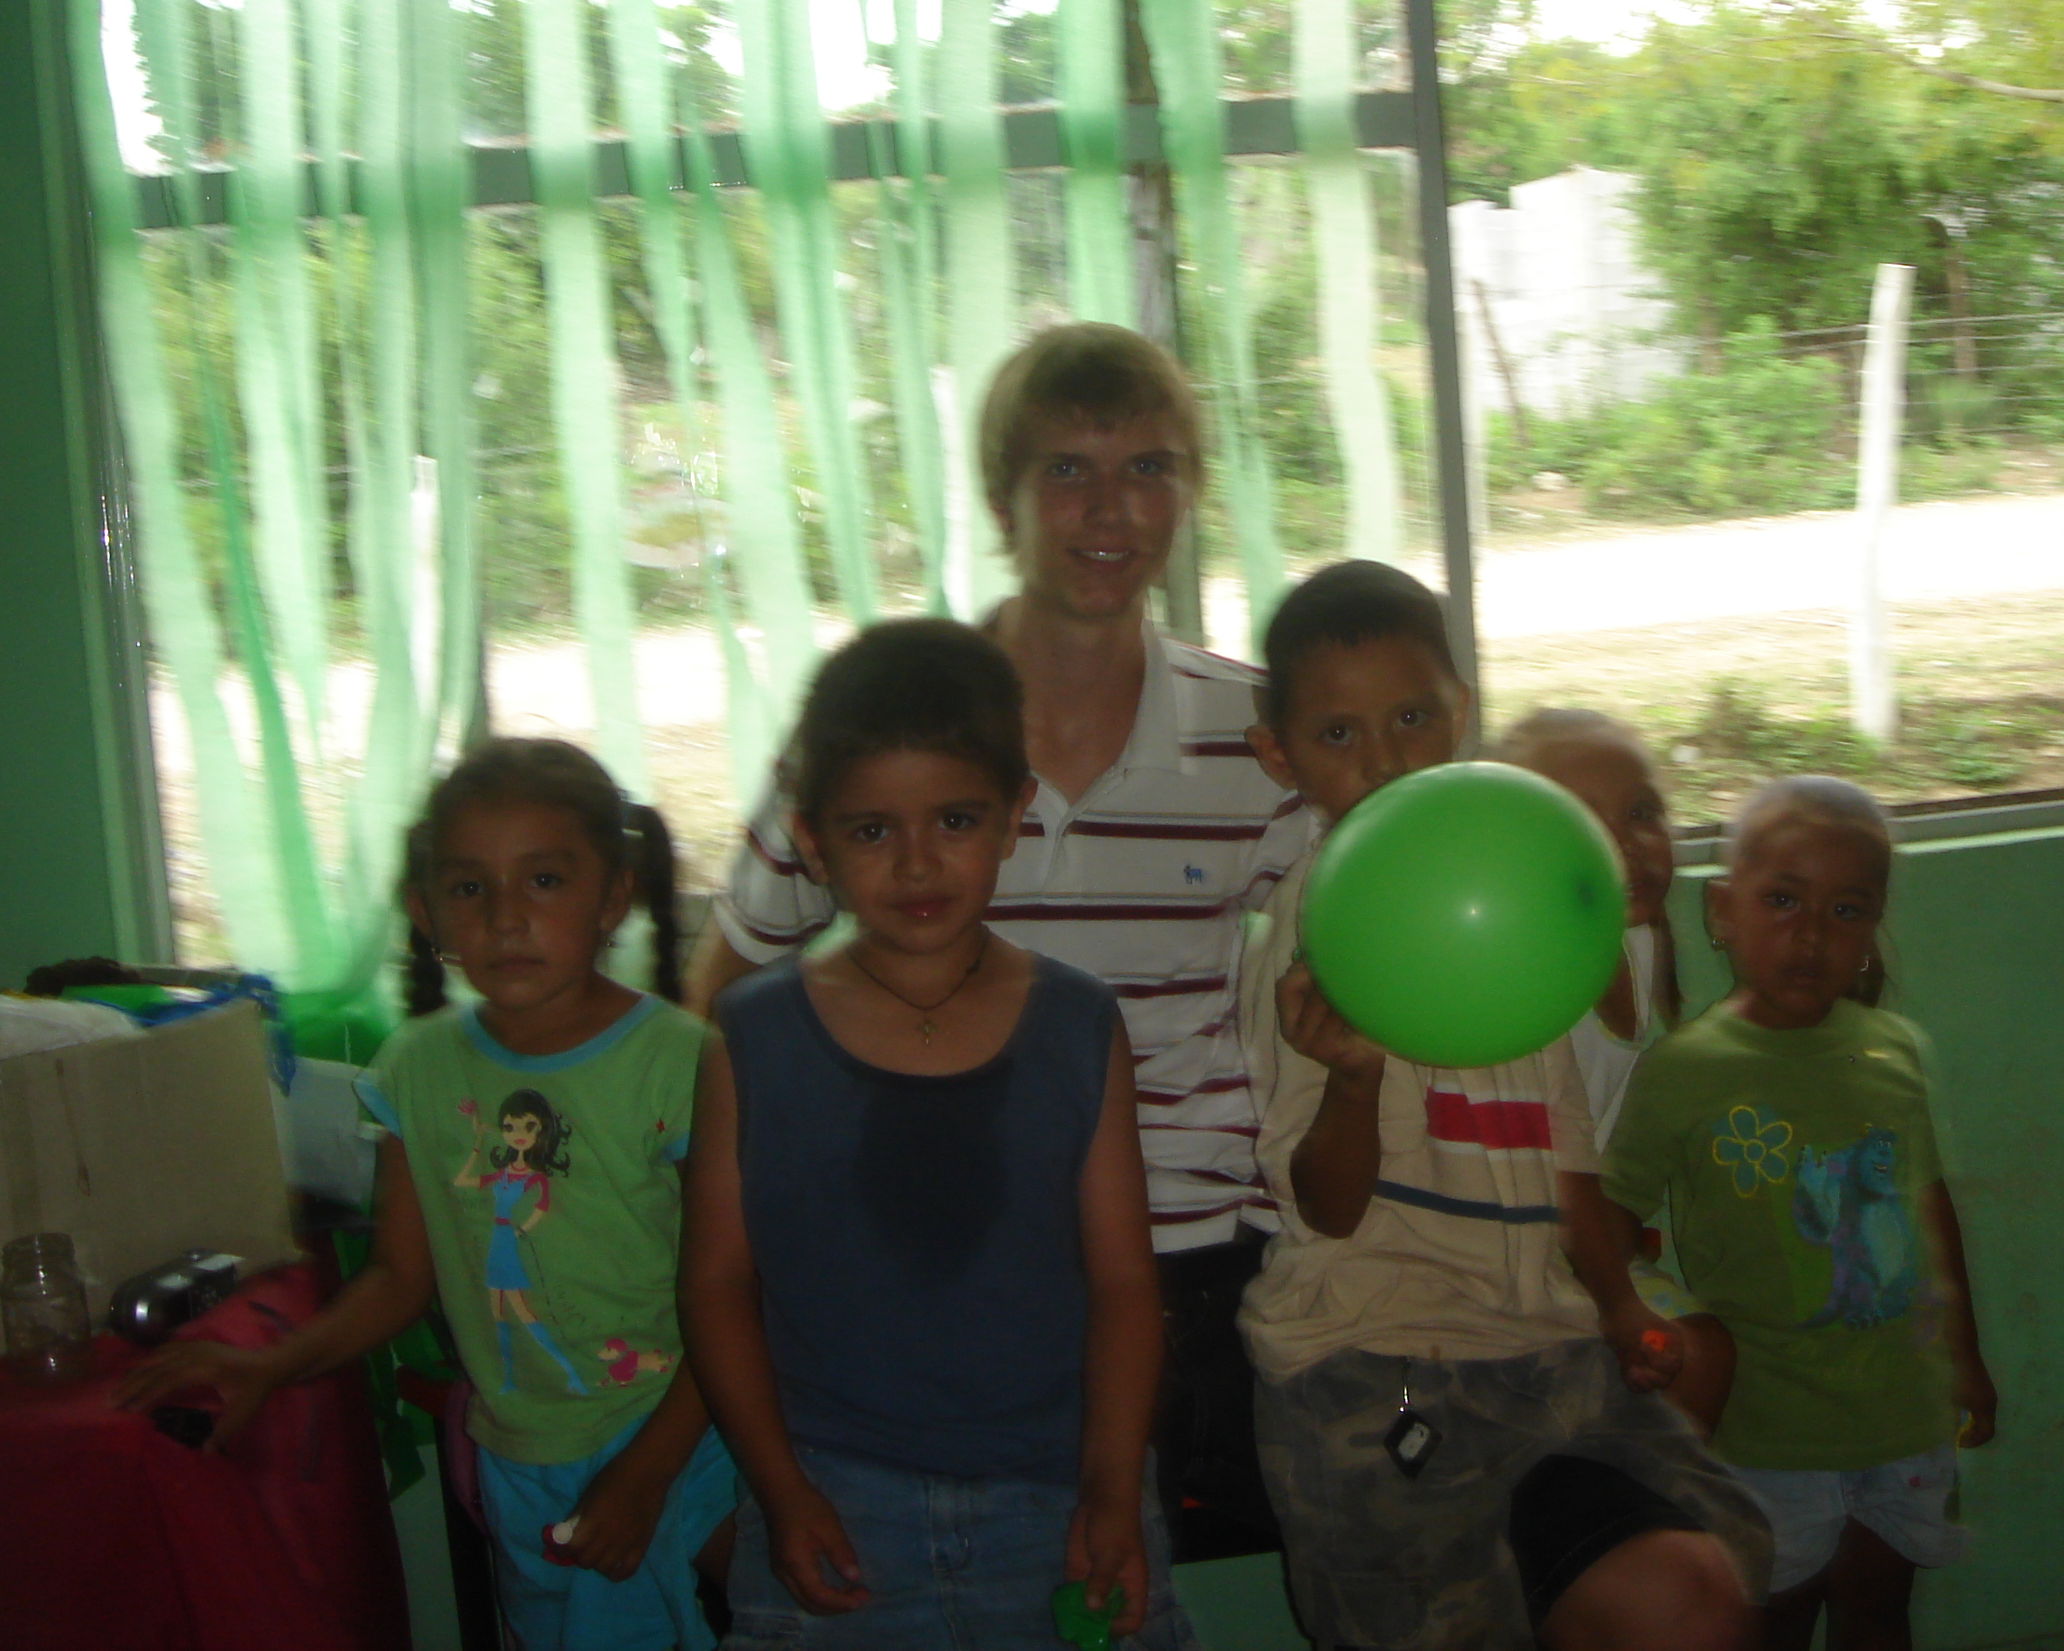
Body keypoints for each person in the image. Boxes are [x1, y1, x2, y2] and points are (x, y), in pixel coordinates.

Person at [689, 322, 1313, 1550]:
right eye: (1067, 470)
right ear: (1000, 497)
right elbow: (736, 974)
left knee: (1097, 1588)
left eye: (1149, 468)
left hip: (1183, 1250)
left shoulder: (1254, 736)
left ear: (1189, 494)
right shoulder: (889, 721)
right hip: (928, 1248)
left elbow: (1368, 946)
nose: (1110, 508)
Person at [1235, 563, 1768, 1651]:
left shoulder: (1510, 886)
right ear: (1278, 756)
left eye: (1412, 718)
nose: (1385, 761)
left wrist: (1620, 1305)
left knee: (1729, 1552)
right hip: (1375, 1357)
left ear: (1460, 712)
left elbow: (1566, 1149)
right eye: (1339, 737)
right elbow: (1324, 1210)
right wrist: (1352, 1077)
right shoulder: (1314, 932)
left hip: (1545, 1345)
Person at [118, 738, 734, 1651]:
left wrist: (648, 1471)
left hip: (678, 1433)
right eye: (470, 888)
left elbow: (736, 1296)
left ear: (614, 895)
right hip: (521, 1455)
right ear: (426, 909)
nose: (506, 918)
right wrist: (271, 1365)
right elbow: (398, 1278)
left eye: (546, 881)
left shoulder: (679, 1061)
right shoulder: (416, 1067)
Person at [679, 619, 1186, 1646]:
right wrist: (777, 1489)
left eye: (954, 819)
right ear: (814, 839)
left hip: (1057, 1498)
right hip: (835, 1506)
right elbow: (716, 1284)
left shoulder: (1080, 1025)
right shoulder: (751, 1037)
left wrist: (1110, 1486)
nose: (917, 863)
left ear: (1013, 817)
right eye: (872, 831)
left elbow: (1127, 1284)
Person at [1602, 777, 1998, 1651]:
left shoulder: (1890, 1051)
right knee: (1770, 1624)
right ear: (1722, 910)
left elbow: (1929, 1209)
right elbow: (1611, 1213)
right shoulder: (1685, 1068)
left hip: (1902, 1417)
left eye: (1846, 909)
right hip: (1764, 1431)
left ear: (1871, 928)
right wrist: (1633, 1322)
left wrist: (1965, 1355)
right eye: (1781, 900)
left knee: (1878, 1613)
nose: (1810, 935)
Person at [1497, 706, 1736, 1435]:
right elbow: (1543, 1169)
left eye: (1641, 813)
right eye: (1582, 827)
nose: (1626, 848)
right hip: (1519, 1258)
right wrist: (1614, 1296)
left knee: (1708, 1354)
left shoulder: (1642, 944)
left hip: (1594, 1246)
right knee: (1697, 1358)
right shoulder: (1526, 986)